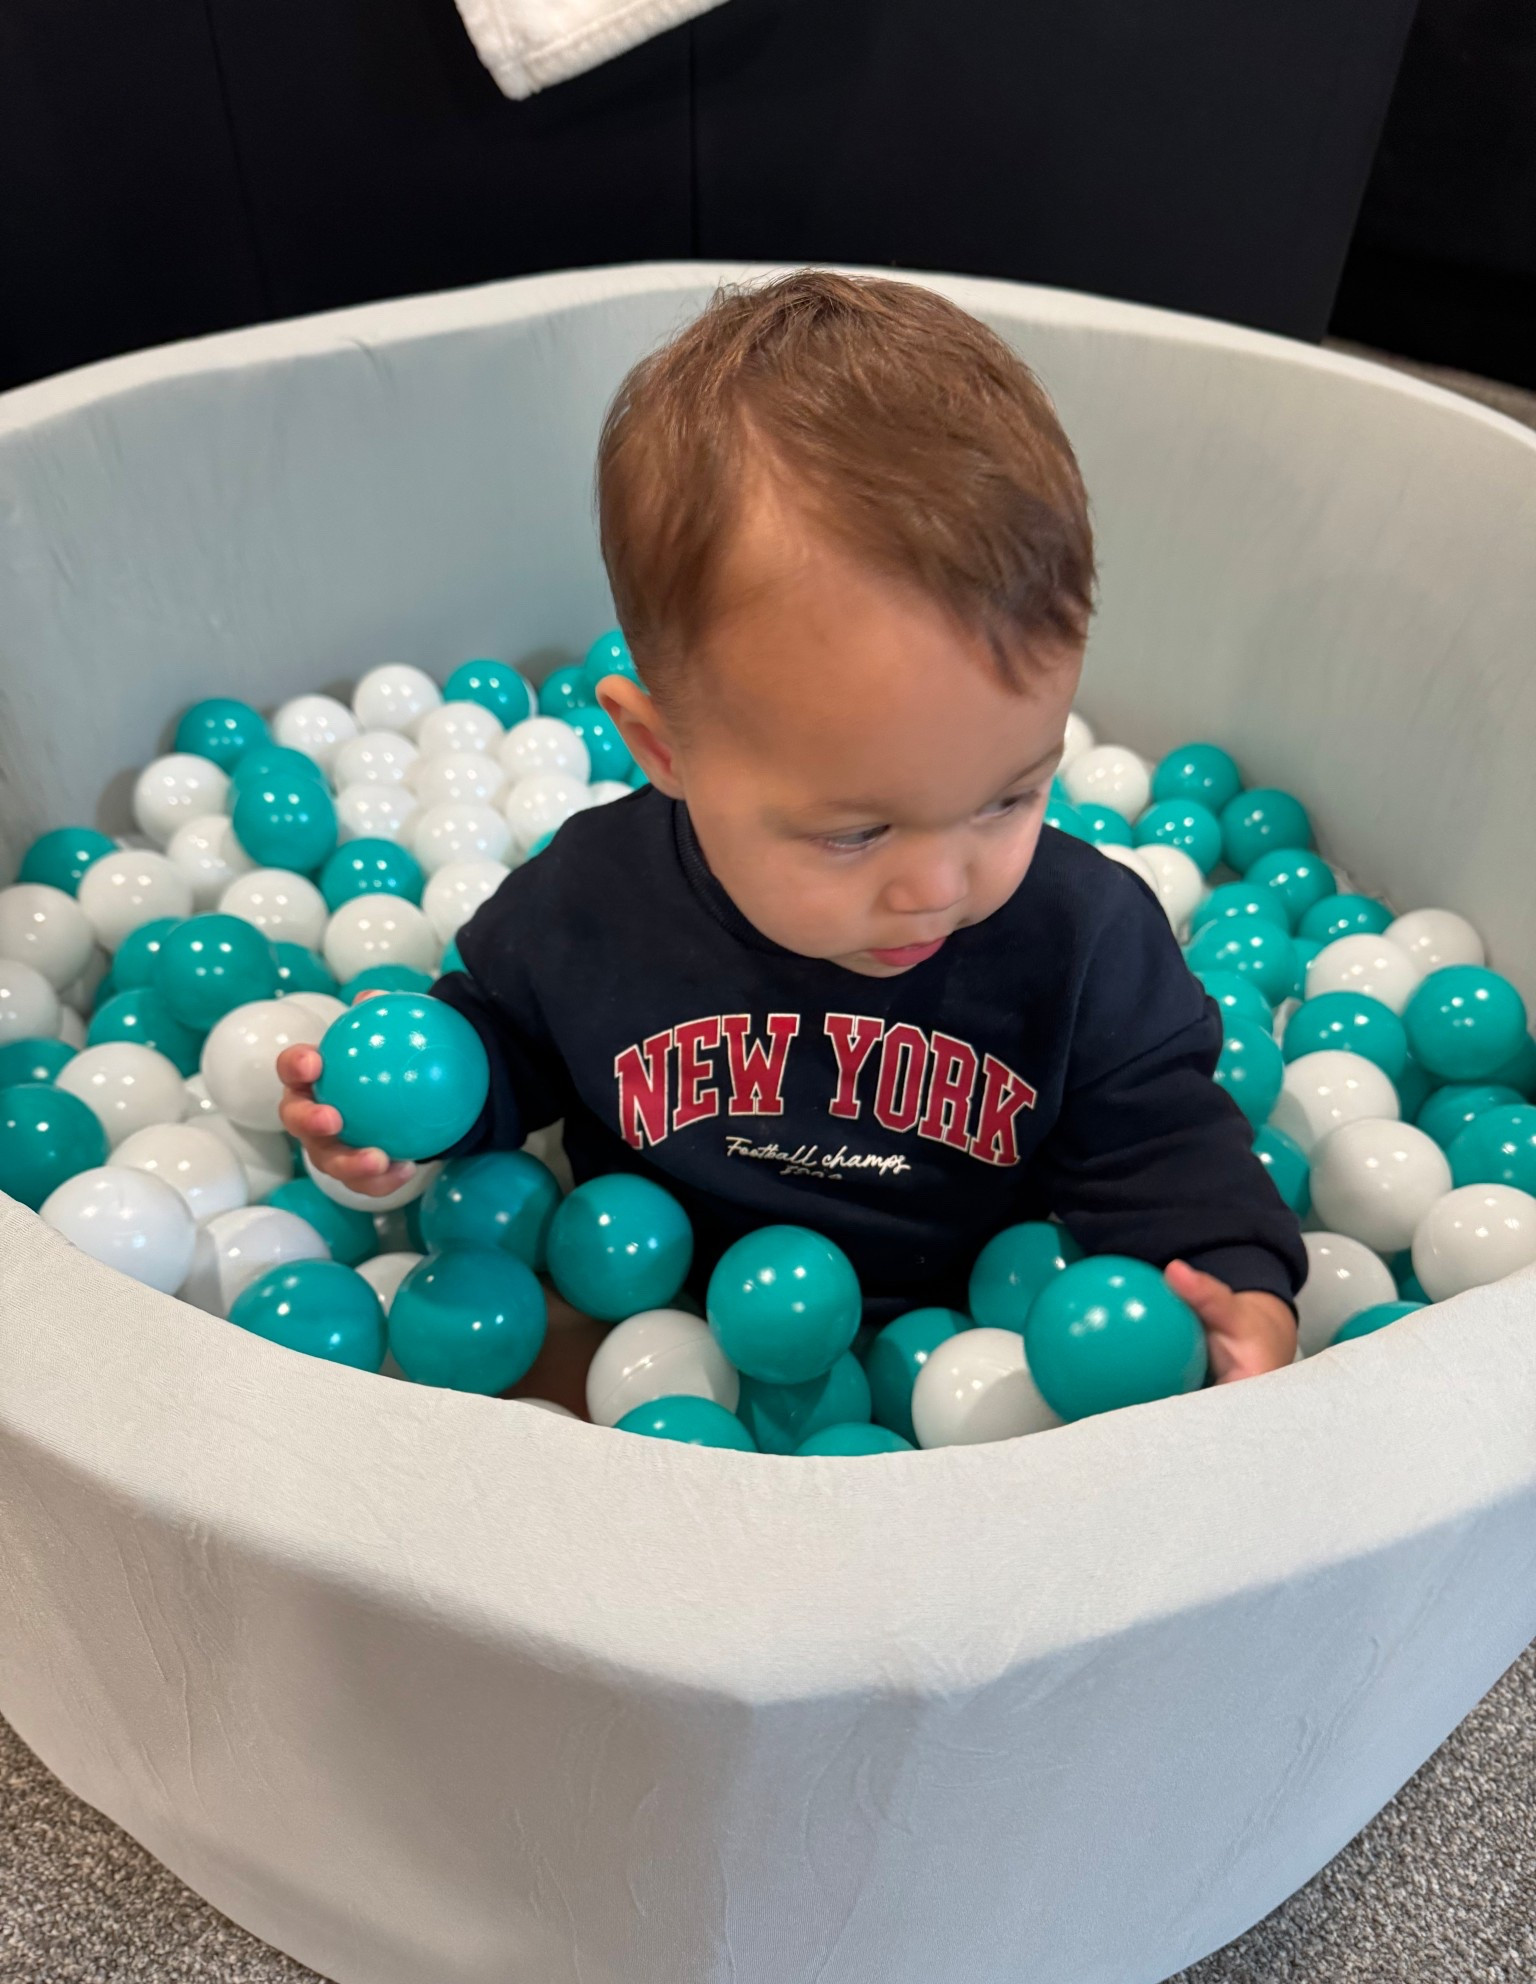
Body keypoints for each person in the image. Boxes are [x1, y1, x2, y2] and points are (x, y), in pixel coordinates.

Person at [277, 268, 1304, 1393]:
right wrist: (403, 1124)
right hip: (657, 1335)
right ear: (664, 750)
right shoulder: (592, 903)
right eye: (857, 832)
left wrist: (1230, 1279)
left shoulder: (1084, 939)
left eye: (1008, 796)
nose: (936, 885)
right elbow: (503, 1042)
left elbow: (1162, 1139)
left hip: (979, 1357)